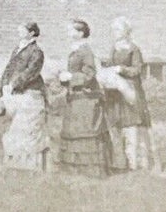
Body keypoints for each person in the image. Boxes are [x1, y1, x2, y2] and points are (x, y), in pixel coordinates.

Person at [55, 19, 110, 177]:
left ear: (80, 33)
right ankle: (74, 169)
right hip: (76, 96)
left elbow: (89, 74)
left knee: (84, 130)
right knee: (74, 129)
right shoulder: (76, 49)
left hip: (86, 97)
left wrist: (71, 76)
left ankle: (88, 170)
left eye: (71, 30)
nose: (68, 33)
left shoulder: (86, 50)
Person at [0, 20, 49, 171]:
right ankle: (15, 163)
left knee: (27, 128)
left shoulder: (36, 51)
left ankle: (31, 165)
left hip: (30, 93)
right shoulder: (18, 48)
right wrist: (4, 84)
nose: (19, 31)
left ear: (31, 33)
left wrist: (14, 84)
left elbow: (30, 72)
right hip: (15, 92)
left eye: (22, 29)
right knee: (14, 128)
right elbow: (9, 67)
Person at [103, 17, 153, 172]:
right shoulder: (114, 48)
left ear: (126, 31)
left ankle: (135, 163)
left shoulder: (133, 49)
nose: (115, 32)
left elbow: (138, 70)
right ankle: (119, 163)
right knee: (116, 127)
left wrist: (122, 69)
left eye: (118, 29)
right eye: (113, 30)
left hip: (130, 92)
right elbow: (111, 66)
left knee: (132, 127)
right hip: (115, 92)